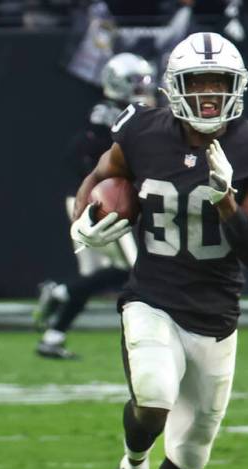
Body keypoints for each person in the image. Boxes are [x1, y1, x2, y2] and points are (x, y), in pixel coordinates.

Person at [71, 32, 248, 469]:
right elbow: (102, 172)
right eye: (198, 83)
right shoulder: (142, 131)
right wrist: (83, 217)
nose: (208, 96)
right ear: (175, 86)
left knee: (192, 452)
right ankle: (129, 466)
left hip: (216, 315)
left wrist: (226, 198)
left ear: (236, 87)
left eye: (218, 83)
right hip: (153, 296)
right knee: (153, 395)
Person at [33, 52, 156, 359]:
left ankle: (53, 333)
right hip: (100, 203)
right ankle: (63, 296)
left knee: (107, 275)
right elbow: (81, 158)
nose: (143, 88)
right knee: (137, 271)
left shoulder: (118, 112)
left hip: (98, 200)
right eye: (136, 82)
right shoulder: (112, 116)